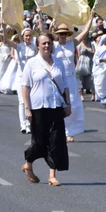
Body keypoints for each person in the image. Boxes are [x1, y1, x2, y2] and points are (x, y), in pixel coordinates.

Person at [20, 33, 72, 187]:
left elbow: (65, 86)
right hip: (38, 107)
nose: (47, 46)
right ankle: (28, 164)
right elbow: (25, 86)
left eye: (49, 43)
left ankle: (52, 175)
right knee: (39, 142)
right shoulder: (31, 63)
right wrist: (27, 108)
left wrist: (68, 104)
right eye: (43, 43)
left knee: (56, 141)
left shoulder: (59, 63)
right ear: (38, 45)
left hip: (56, 106)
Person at [52, 22, 89, 142]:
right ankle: (59, 129)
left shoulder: (72, 43)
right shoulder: (53, 45)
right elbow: (43, 32)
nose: (63, 35)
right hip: (59, 77)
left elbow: (84, 33)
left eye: (65, 33)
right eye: (61, 33)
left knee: (72, 103)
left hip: (71, 78)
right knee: (58, 103)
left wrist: (91, 19)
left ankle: (70, 131)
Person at [11, 29, 37, 133]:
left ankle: (29, 123)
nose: (28, 37)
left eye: (30, 35)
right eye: (26, 36)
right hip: (21, 76)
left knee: (30, 101)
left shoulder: (35, 47)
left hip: (32, 77)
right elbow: (6, 41)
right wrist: (3, 28)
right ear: (23, 36)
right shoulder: (19, 46)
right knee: (22, 101)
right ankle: (23, 125)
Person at [92, 32, 106, 107]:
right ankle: (103, 99)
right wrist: (102, 60)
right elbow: (95, 59)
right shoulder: (99, 49)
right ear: (103, 40)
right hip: (101, 70)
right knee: (101, 85)